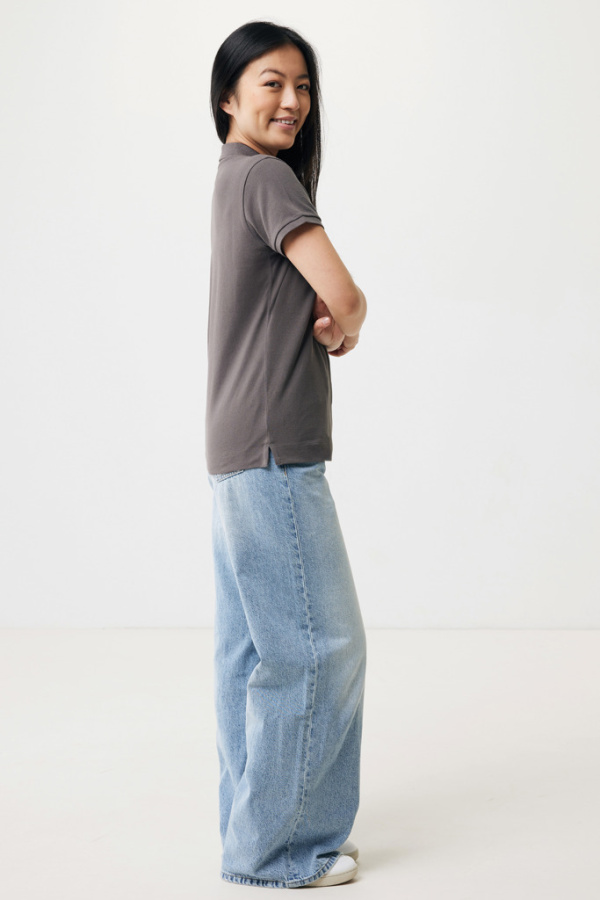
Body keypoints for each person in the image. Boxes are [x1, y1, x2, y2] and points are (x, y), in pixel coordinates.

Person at [206, 21, 368, 889]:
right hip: (274, 447)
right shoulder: (267, 178)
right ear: (227, 97)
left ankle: (253, 834)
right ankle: (280, 853)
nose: (293, 101)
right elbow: (345, 294)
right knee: (321, 647)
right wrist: (345, 321)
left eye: (302, 86)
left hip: (237, 447)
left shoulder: (233, 178)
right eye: (271, 83)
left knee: (252, 655)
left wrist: (325, 322)